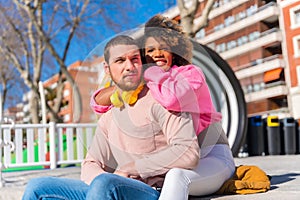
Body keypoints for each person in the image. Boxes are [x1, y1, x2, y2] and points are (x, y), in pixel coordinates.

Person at [22, 35, 200, 200]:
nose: (129, 66)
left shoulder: (163, 98)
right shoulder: (110, 112)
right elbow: (91, 163)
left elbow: (188, 152)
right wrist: (105, 180)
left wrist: (133, 168)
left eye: (134, 59)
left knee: (105, 184)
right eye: (120, 60)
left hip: (151, 191)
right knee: (36, 187)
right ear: (107, 69)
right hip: (107, 187)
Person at [90, 14, 235, 199]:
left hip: (212, 157)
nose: (157, 53)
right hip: (183, 160)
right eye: (150, 49)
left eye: (163, 48)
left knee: (176, 177)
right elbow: (99, 105)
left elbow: (172, 99)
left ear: (174, 52)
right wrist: (121, 89)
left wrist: (150, 70)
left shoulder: (190, 74)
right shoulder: (149, 81)